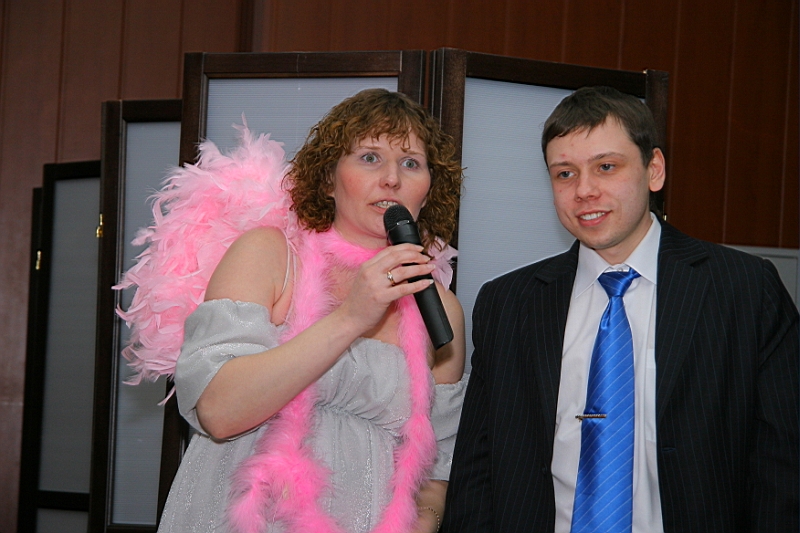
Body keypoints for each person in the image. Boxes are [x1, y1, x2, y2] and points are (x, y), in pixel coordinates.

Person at [442, 86, 799, 532]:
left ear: (654, 170)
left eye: (606, 167)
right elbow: (476, 472)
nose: (584, 191)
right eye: (565, 174)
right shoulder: (509, 303)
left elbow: (785, 466)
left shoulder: (744, 288)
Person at [156, 89, 467, 533]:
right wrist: (351, 318)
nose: (392, 179)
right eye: (370, 158)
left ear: (429, 189)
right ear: (327, 180)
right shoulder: (268, 256)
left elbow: (437, 469)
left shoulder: (442, 309)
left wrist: (423, 523)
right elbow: (218, 413)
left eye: (411, 163)